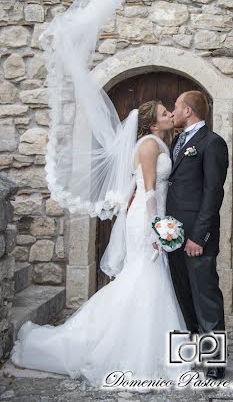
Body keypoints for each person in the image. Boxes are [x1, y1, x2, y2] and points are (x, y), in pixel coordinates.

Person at [10, 101, 193, 388]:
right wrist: (157, 229)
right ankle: (131, 351)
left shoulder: (157, 141)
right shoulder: (148, 145)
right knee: (145, 277)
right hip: (146, 220)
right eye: (164, 113)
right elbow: (147, 191)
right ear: (153, 123)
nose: (171, 114)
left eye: (169, 110)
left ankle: (151, 348)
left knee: (147, 278)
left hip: (151, 217)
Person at [166, 90, 229, 379]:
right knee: (184, 294)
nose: (173, 111)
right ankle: (193, 351)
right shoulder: (178, 141)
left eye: (176, 107)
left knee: (205, 296)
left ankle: (215, 362)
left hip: (195, 237)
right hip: (174, 235)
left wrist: (198, 236)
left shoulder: (212, 143)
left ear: (188, 110)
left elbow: (213, 192)